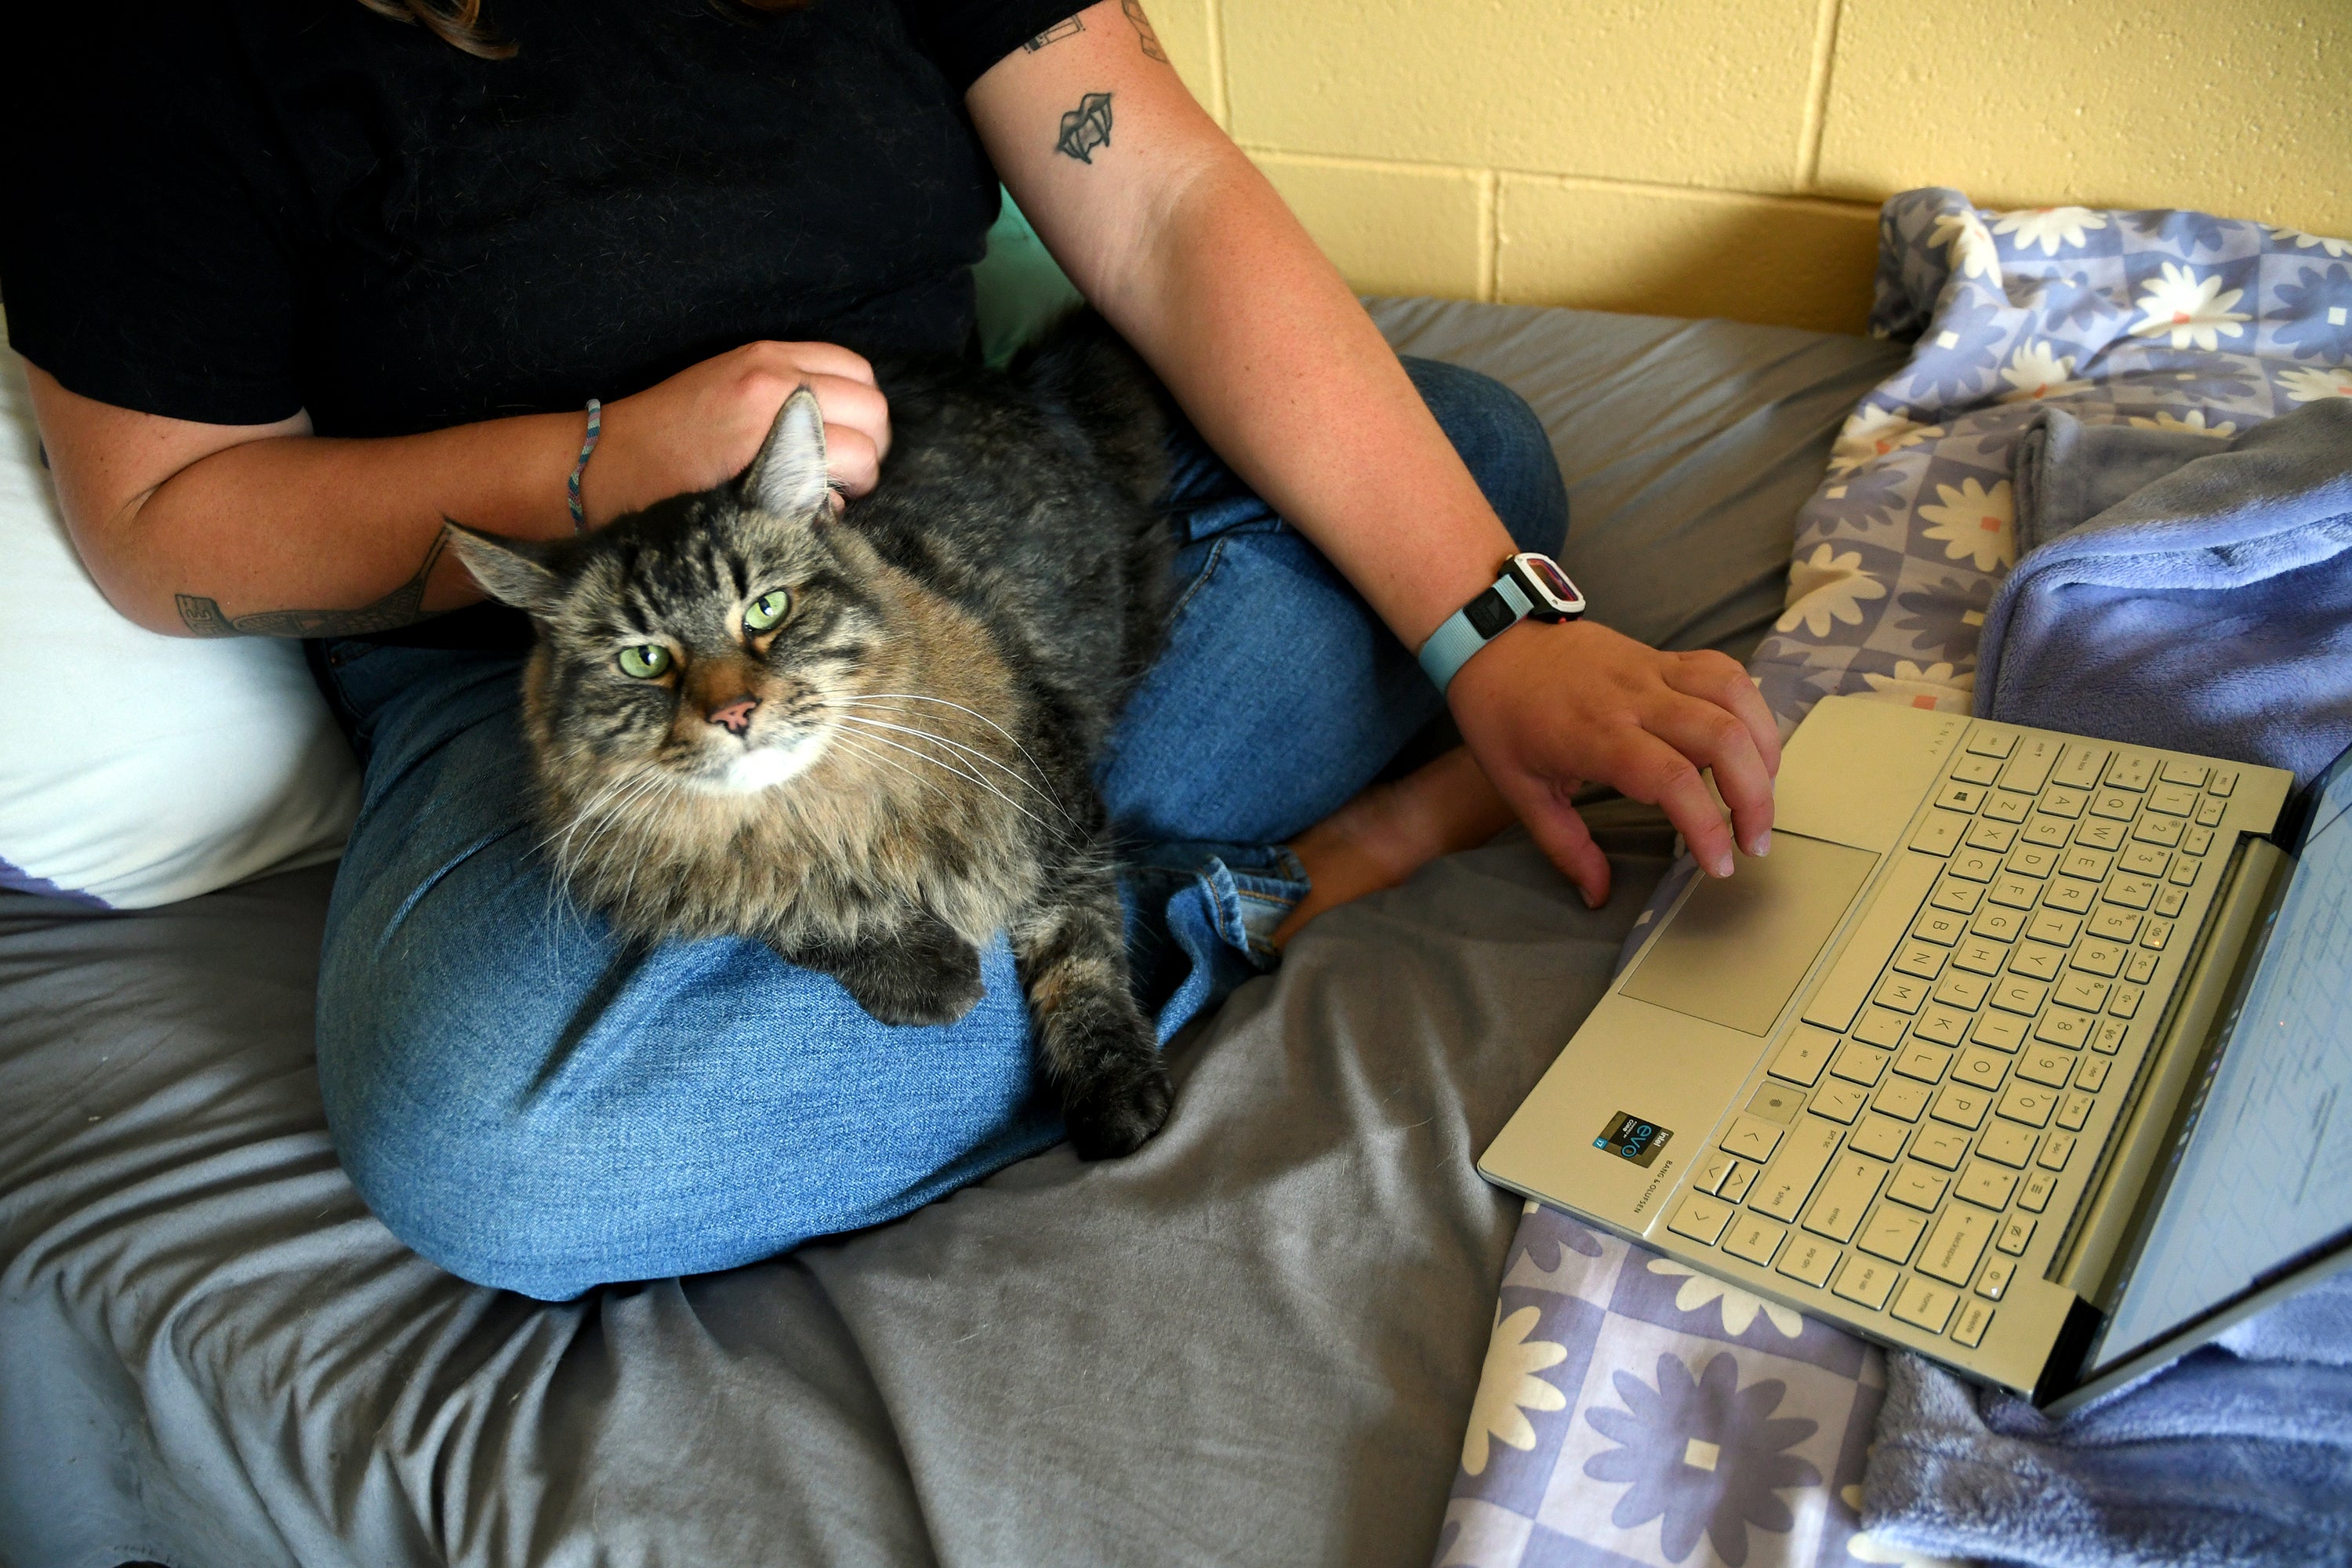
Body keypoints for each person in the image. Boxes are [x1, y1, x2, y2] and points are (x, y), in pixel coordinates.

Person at [1, 0, 1777, 1299]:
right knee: (493, 1150)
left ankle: (1040, 902)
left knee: (1467, 459)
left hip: (945, 522)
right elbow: (164, 520)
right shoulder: (150, 46)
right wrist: (600, 462)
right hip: (557, 659)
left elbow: (1159, 203)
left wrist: (1493, 626)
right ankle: (1268, 884)